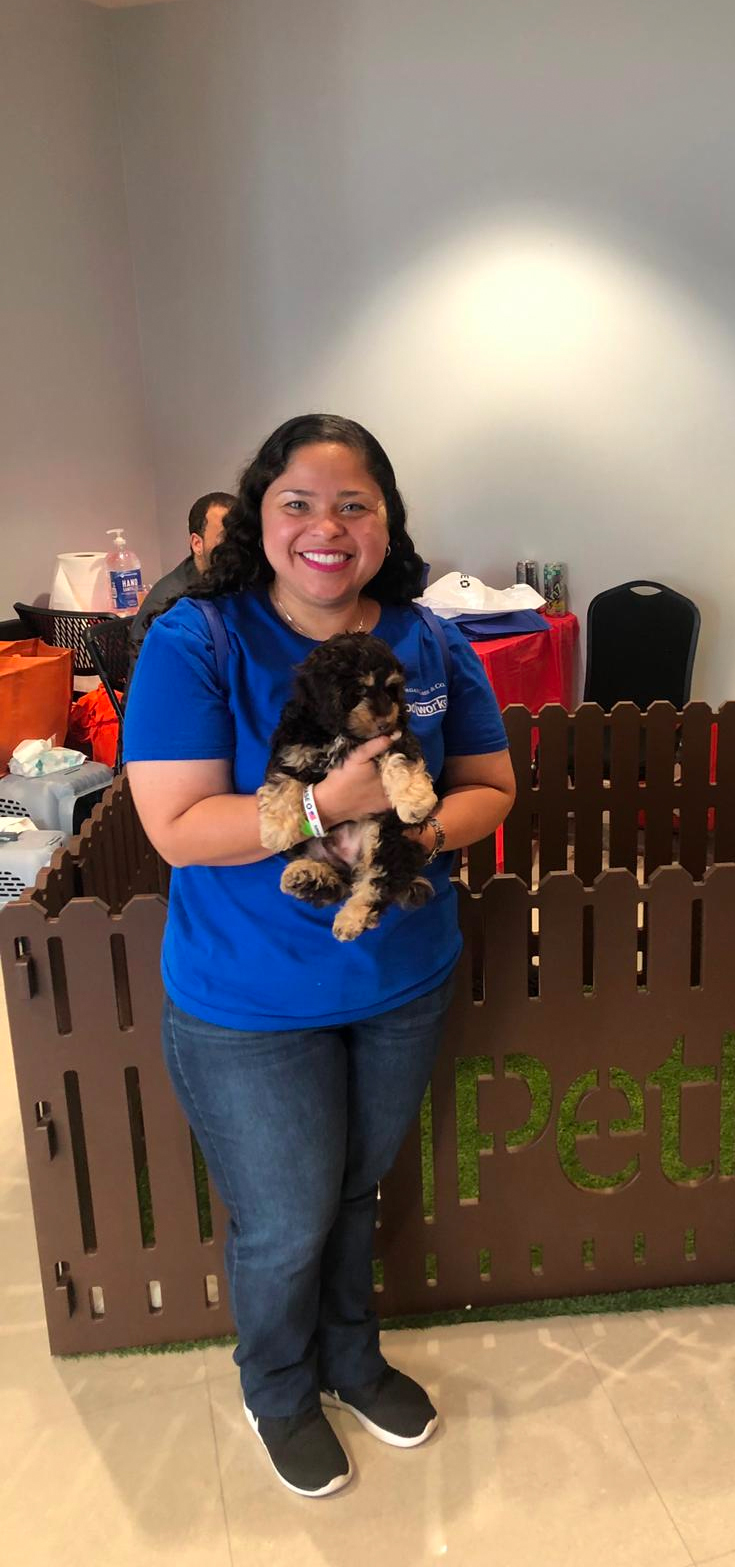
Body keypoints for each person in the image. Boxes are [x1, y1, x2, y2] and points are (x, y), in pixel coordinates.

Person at [122, 416, 515, 1499]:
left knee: (353, 1189)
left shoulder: (433, 642)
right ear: (260, 515)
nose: (326, 528)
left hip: (400, 976)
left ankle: (352, 1356)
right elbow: (176, 825)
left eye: (355, 504)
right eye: (298, 502)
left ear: (387, 522)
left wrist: (413, 835)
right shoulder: (198, 640)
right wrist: (323, 809)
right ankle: (280, 1382)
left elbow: (491, 784)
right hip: (247, 998)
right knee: (289, 1212)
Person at [127, 491, 233, 662]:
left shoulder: (232, 583)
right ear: (197, 544)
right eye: (225, 538)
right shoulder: (169, 607)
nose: (236, 547)